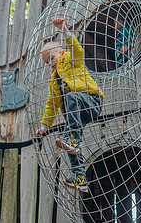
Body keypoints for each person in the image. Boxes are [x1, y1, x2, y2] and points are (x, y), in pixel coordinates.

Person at [36, 18, 104, 193]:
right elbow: (51, 104)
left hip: (91, 101)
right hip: (77, 114)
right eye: (46, 62)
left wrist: (65, 30)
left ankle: (72, 138)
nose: (49, 63)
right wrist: (44, 127)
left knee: (72, 96)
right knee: (70, 145)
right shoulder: (53, 80)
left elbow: (77, 50)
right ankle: (80, 178)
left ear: (62, 53)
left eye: (51, 58)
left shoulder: (72, 60)